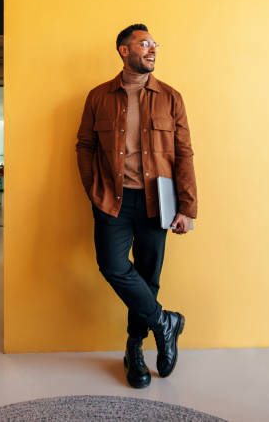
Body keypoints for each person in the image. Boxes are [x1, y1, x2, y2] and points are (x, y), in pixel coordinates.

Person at [76, 23, 197, 388]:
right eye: (144, 44)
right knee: (112, 266)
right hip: (112, 200)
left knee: (148, 276)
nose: (152, 49)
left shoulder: (171, 97)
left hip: (156, 202)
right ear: (123, 51)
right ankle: (165, 323)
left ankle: (134, 350)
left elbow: (184, 153)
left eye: (154, 43)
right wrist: (94, 188)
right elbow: (84, 145)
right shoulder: (98, 96)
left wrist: (187, 207)